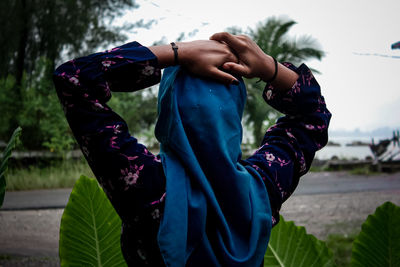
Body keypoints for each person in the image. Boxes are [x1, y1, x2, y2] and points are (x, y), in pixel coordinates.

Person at [53, 32, 331, 266]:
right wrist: (269, 68)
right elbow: (312, 116)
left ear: (168, 111)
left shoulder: (144, 185)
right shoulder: (264, 186)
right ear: (235, 114)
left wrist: (177, 53)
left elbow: (74, 79)